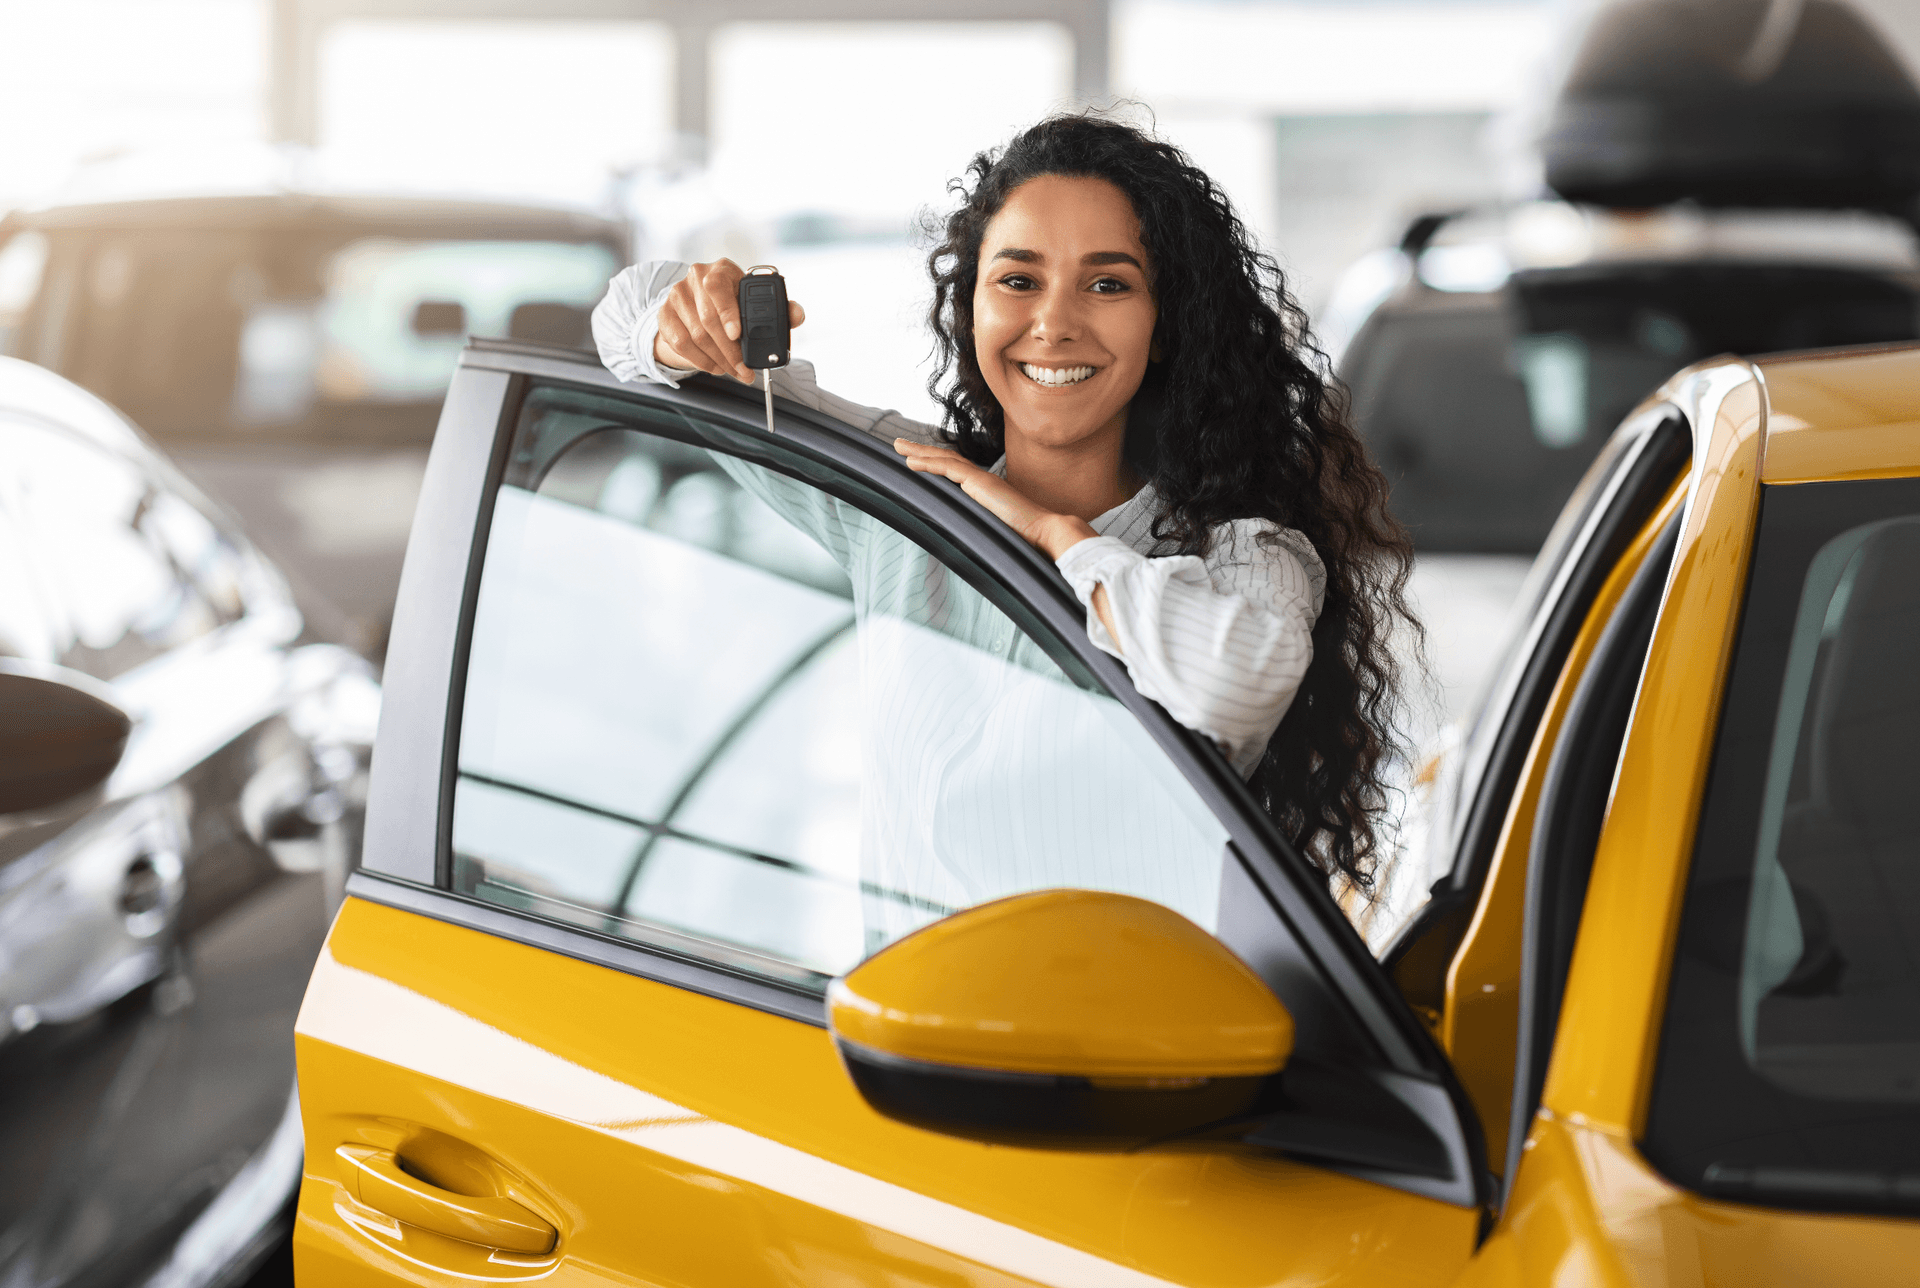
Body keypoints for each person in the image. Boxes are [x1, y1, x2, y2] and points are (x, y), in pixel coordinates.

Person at [594, 112, 1415, 918]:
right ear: (972, 310)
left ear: (1163, 327)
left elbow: (1233, 687)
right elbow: (626, 318)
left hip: (1140, 1046)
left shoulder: (1244, 553)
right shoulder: (908, 495)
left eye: (1107, 284)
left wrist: (1058, 536)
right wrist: (685, 324)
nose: (1054, 324)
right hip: (901, 1037)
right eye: (1018, 281)